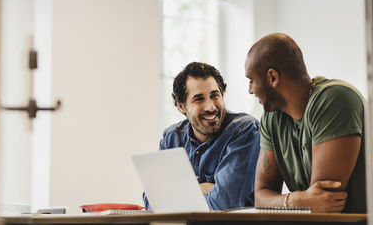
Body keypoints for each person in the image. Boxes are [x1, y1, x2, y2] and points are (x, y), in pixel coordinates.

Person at [244, 33, 366, 213]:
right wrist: (294, 201)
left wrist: (290, 202)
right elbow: (261, 196)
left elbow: (324, 204)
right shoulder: (271, 118)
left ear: (272, 77)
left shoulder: (334, 100)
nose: (250, 90)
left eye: (252, 80)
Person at [144, 62, 260, 210]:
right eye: (199, 99)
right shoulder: (171, 138)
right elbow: (152, 204)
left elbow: (224, 203)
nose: (211, 107)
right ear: (181, 106)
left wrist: (177, 193)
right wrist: (201, 188)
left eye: (214, 96)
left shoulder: (245, 130)